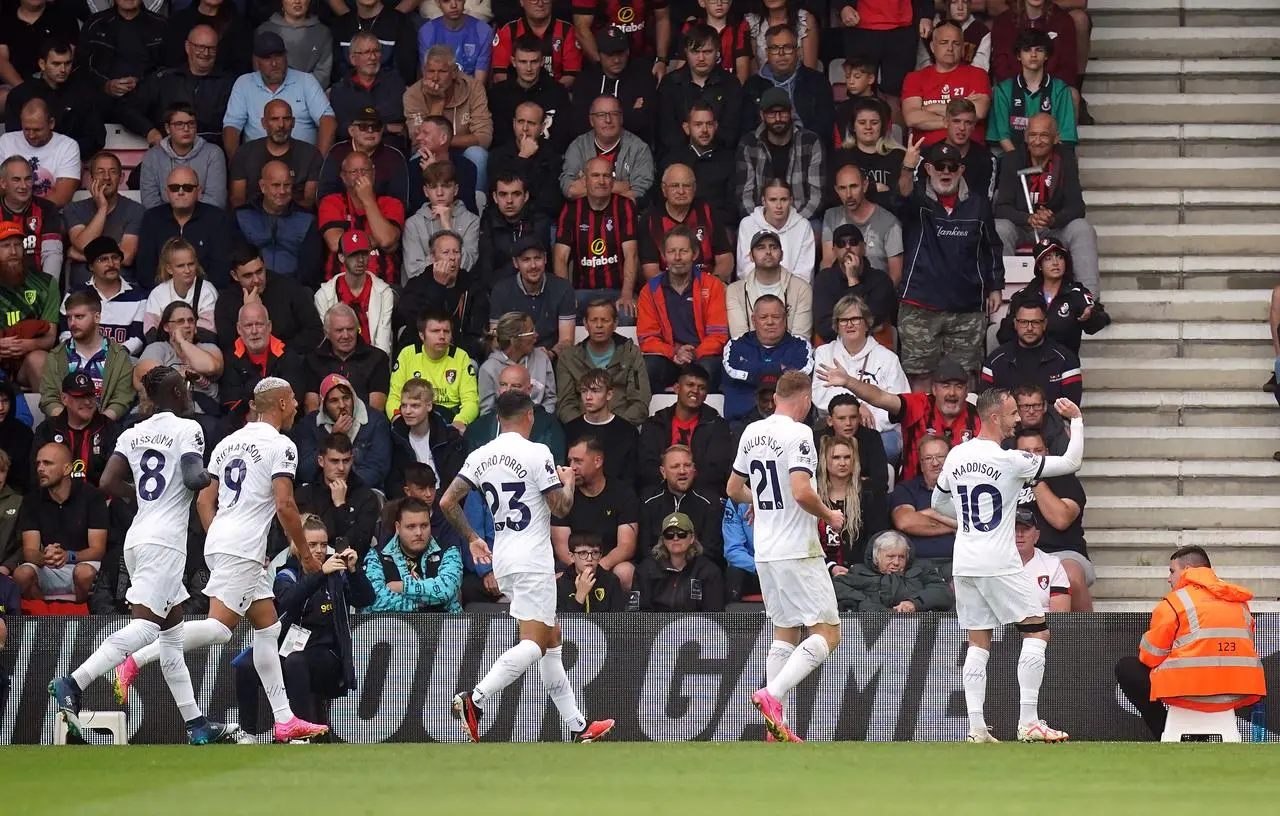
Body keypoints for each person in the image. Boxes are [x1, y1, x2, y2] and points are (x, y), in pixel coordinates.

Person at [112, 377, 332, 744]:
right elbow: (285, 505)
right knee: (219, 629)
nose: (296, 406)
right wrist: (306, 556)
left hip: (226, 541)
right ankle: (135, 659)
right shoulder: (282, 446)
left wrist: (220, 538)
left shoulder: (227, 443)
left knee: (267, 627)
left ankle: (284, 719)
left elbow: (203, 501)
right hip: (242, 547)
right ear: (280, 403)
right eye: (293, 400)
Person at [48, 366, 237, 745]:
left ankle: (196, 723)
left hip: (139, 537)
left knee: (170, 634)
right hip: (165, 543)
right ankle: (74, 681)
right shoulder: (189, 429)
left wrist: (139, 499)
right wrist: (215, 473)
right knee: (148, 627)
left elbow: (106, 482)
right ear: (180, 393)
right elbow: (193, 477)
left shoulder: (133, 432)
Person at [439, 390, 615, 743]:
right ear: (530, 415)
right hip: (533, 559)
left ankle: (578, 726)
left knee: (552, 639)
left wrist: (473, 536)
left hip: (503, 556)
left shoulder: (480, 455)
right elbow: (561, 508)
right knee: (534, 644)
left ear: (498, 419)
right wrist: (567, 481)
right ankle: (475, 700)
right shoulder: (537, 453)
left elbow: (447, 501)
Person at [931, 388, 1084, 743]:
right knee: (1037, 632)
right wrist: (1076, 421)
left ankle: (976, 728)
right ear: (995, 416)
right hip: (998, 561)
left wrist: (972, 517)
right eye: (1013, 412)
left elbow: (939, 502)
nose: (1018, 418)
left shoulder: (956, 455)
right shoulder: (1010, 460)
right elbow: (1071, 462)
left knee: (977, 641)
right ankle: (1028, 721)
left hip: (964, 560)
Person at [726, 370, 844, 742]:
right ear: (806, 399)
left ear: (776, 397)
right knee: (828, 633)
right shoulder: (799, 433)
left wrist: (759, 501)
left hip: (765, 551)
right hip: (798, 550)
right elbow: (801, 491)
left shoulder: (752, 432)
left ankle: (775, 730)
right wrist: (831, 515)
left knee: (785, 633)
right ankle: (772, 694)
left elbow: (733, 488)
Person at [237, 513, 374, 735]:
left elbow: (366, 599)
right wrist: (320, 574)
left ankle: (302, 733)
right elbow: (288, 600)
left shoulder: (337, 575)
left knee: (295, 662)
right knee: (245, 665)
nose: (319, 550)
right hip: (289, 648)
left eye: (323, 544)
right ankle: (248, 734)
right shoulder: (287, 574)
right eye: (312, 544)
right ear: (298, 546)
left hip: (328, 654)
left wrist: (354, 571)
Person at [1115, 545, 1266, 741]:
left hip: (1189, 691)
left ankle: (1165, 732)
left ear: (1186, 570)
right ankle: (1196, 738)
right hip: (1237, 690)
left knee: (1128, 668)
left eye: (1172, 571)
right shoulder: (1238, 601)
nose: (1169, 578)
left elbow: (1150, 656)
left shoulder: (1175, 602)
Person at [894, 138, 1004, 388]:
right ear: (928, 168)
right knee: (919, 377)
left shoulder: (978, 204)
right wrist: (907, 168)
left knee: (964, 379)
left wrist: (995, 285)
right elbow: (900, 196)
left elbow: (992, 246)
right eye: (939, 166)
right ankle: (922, 429)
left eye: (952, 167)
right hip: (919, 306)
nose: (945, 172)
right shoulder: (918, 200)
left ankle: (963, 429)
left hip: (966, 309)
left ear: (961, 170)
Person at [993, 114, 1100, 296]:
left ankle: (1089, 300)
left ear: (1055, 137)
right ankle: (1005, 297)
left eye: (1043, 135)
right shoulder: (1012, 160)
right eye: (1033, 135)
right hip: (1022, 227)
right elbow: (1001, 207)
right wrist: (1028, 218)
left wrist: (1053, 219)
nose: (1037, 141)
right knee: (1000, 228)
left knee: (1082, 229)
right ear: (1026, 137)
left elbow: (1077, 207)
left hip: (1054, 228)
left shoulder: (1066, 160)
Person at [811, 294, 908, 460]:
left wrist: (865, 425)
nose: (849, 324)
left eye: (855, 319)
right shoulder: (824, 353)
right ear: (837, 325)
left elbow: (900, 403)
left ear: (866, 323)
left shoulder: (888, 358)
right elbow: (820, 397)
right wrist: (855, 410)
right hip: (837, 430)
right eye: (843, 320)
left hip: (880, 431)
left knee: (879, 448)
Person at [13, 442, 108, 604]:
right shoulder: (31, 500)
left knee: (83, 573)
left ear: (67, 469)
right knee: (21, 574)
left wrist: (69, 556)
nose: (40, 469)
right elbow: (30, 551)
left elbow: (98, 550)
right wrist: (45, 557)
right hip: (48, 567)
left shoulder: (93, 497)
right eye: (38, 463)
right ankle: (46, 617)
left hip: (82, 563)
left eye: (47, 463)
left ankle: (81, 616)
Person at [637, 226, 729, 392]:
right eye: (672, 252)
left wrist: (695, 353)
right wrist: (674, 353)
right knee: (648, 367)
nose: (677, 257)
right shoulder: (649, 290)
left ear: (694, 254)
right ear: (663, 256)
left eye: (683, 251)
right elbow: (647, 338)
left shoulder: (712, 285)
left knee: (710, 367)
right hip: (669, 357)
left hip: (702, 356)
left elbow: (718, 335)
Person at [223, 31, 337, 157]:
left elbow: (327, 120)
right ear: (257, 61)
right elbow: (231, 127)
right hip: (258, 164)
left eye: (278, 56)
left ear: (286, 56)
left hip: (302, 162)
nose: (274, 64)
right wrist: (236, 168)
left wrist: (319, 163)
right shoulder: (244, 83)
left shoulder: (306, 81)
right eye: (267, 58)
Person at [554, 157, 639, 320]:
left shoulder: (625, 206)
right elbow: (560, 257)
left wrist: (627, 294)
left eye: (606, 176)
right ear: (584, 180)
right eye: (595, 175)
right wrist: (566, 296)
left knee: (627, 315)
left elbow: (631, 254)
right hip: (582, 292)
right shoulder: (571, 209)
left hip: (617, 290)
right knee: (566, 313)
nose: (601, 181)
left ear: (613, 181)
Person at [551, 435, 639, 589]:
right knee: (553, 581)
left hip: (608, 565)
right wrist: (581, 570)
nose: (572, 467)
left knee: (625, 571)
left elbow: (626, 545)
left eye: (578, 461)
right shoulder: (563, 495)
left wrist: (597, 570)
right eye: (570, 461)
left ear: (598, 461)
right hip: (573, 565)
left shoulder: (623, 494)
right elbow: (561, 547)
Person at [403, 46, 493, 194]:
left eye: (442, 72)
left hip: (464, 153)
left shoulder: (473, 88)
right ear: (424, 72)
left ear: (454, 73)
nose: (435, 78)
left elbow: (484, 138)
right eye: (431, 71)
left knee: (479, 155)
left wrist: (443, 141)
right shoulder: (412, 95)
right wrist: (437, 103)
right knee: (419, 157)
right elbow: (420, 142)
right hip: (430, 152)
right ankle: (422, 212)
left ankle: (479, 210)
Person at [997, 238, 1108, 355]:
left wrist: (1091, 315)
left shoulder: (1077, 293)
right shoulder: (1022, 296)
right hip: (1027, 361)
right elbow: (1005, 335)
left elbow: (1096, 325)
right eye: (1048, 259)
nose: (1055, 262)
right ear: (1039, 265)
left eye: (1060, 257)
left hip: (1064, 364)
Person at [39, 292, 136, 422]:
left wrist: (98, 426)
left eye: (79, 317)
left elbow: (122, 399)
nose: (72, 323)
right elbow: (49, 398)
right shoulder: (56, 356)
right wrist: (68, 424)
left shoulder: (119, 356)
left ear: (97, 317)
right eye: (69, 318)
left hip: (106, 430)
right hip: (64, 430)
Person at [135, 167, 236, 289]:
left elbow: (221, 267)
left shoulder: (216, 218)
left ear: (198, 191)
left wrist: (198, 292)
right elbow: (145, 268)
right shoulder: (152, 218)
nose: (180, 192)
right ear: (167, 191)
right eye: (174, 188)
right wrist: (166, 293)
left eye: (187, 188)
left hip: (206, 295)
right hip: (160, 295)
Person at [555, 299, 651, 426]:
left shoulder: (631, 354)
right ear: (585, 324)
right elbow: (565, 405)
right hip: (582, 431)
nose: (599, 325)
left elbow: (640, 401)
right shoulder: (568, 358)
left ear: (615, 323)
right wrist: (583, 427)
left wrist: (615, 426)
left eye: (605, 320)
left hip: (621, 428)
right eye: (593, 320)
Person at [214, 244, 325, 355]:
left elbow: (315, 331)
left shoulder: (288, 287)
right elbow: (229, 348)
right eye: (248, 275)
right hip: (246, 367)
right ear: (235, 276)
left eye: (259, 271)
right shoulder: (225, 301)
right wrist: (249, 311)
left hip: (289, 359)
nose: (256, 280)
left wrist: (281, 352)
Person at [735, 87, 825, 222]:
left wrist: (794, 224)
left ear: (792, 112)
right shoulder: (749, 143)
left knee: (816, 230)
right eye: (771, 113)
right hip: (760, 220)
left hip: (802, 218)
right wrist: (761, 223)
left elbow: (817, 195)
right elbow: (745, 196)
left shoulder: (811, 142)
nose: (778, 118)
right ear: (762, 115)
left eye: (782, 112)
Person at [3, 36, 101, 159]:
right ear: (42, 64)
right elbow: (14, 139)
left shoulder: (84, 93)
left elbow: (96, 136)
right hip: (29, 163)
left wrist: (68, 153)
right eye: (56, 64)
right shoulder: (20, 95)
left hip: (70, 159)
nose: (63, 69)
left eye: (68, 63)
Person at [397, 230, 488, 361]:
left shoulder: (473, 285)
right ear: (433, 257)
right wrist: (438, 286)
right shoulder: (417, 284)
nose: (452, 257)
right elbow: (415, 324)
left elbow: (477, 331)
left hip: (460, 354)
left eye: (456, 252)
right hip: (422, 353)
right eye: (445, 253)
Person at [721, 294, 813, 424]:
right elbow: (732, 369)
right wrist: (780, 369)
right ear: (753, 320)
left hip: (790, 423)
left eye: (776, 317)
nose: (770, 322)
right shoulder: (736, 345)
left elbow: (801, 375)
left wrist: (753, 369)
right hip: (743, 421)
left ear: (785, 318)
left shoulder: (800, 345)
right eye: (763, 317)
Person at [289, 433, 381, 560]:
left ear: (352, 460)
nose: (341, 468)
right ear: (321, 461)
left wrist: (340, 506)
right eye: (334, 461)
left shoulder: (366, 497)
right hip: (308, 565)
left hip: (349, 568)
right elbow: (293, 541)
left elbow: (359, 545)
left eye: (346, 460)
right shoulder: (304, 495)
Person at [319, 150, 406, 283]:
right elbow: (335, 243)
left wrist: (368, 200)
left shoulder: (391, 204)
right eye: (354, 172)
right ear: (343, 176)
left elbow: (386, 240)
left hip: (385, 286)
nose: (360, 176)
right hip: (339, 286)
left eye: (365, 171)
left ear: (374, 174)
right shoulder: (331, 202)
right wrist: (376, 240)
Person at [656, 24, 743, 156]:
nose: (701, 58)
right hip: (679, 160)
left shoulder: (731, 84)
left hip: (721, 160)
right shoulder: (670, 84)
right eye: (695, 52)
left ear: (717, 51)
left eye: (707, 52)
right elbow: (666, 133)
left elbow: (732, 134)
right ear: (685, 51)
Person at [295, 373, 393, 491]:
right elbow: (305, 471)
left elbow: (377, 471)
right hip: (321, 490)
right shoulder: (309, 424)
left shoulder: (376, 421)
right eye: (334, 400)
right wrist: (332, 437)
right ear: (324, 405)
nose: (342, 405)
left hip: (364, 491)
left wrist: (343, 486)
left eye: (346, 398)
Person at [638, 163, 733, 284]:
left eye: (686, 186)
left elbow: (725, 258)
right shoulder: (651, 219)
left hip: (708, 284)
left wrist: (713, 285)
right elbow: (650, 270)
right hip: (668, 289)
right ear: (664, 189)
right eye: (674, 186)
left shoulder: (707, 210)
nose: (681, 191)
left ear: (694, 188)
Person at [901, 22, 991, 148]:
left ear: (962, 47)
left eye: (956, 43)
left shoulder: (977, 74)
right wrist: (962, 114)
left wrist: (931, 107)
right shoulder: (914, 78)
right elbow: (912, 118)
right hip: (926, 151)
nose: (950, 48)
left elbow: (979, 112)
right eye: (944, 43)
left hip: (968, 151)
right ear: (932, 46)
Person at [365, 496, 463, 612]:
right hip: (395, 628)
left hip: (446, 627)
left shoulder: (449, 551)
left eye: (424, 525)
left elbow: (446, 590)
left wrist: (402, 587)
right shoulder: (376, 556)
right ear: (398, 527)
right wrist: (425, 603)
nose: (419, 533)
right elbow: (374, 601)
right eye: (411, 527)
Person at [64, 153, 144, 290]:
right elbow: (84, 244)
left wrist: (80, 255)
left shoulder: (136, 210)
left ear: (121, 178)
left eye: (112, 172)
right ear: (91, 178)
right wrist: (103, 208)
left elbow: (127, 255)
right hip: (82, 293)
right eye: (100, 172)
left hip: (123, 292)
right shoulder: (73, 209)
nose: (106, 177)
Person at [235, 160, 324, 285]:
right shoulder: (241, 216)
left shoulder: (308, 219)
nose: (282, 191)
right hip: (252, 288)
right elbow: (236, 260)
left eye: (287, 185)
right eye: (276, 185)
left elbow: (310, 268)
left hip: (295, 290)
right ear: (262, 186)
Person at [386, 309, 479, 428]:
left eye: (446, 331)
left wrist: (460, 421)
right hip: (413, 417)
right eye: (435, 331)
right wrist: (397, 418)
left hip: (449, 419)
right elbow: (394, 397)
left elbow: (471, 401)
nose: (442, 336)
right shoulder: (408, 354)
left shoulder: (461, 356)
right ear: (421, 335)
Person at [989, 28, 1076, 153]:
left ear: (1046, 55)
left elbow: (1064, 136)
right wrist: (1021, 161)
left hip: (1051, 158)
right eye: (1027, 50)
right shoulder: (1003, 90)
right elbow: (1003, 137)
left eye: (1039, 50)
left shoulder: (1060, 89)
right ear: (1019, 55)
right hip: (1014, 157)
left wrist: (1042, 161)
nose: (1033, 55)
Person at [218, 302, 310, 421]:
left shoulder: (288, 356)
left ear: (269, 326)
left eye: (259, 324)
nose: (254, 331)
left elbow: (294, 400)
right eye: (248, 325)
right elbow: (231, 404)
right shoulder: (230, 358)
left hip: (283, 426)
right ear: (239, 329)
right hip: (245, 426)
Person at [980, 300, 1083, 405]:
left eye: (1035, 322)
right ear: (1015, 324)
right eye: (1024, 322)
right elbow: (986, 406)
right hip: (1007, 420)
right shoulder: (995, 361)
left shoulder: (1066, 360)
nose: (1029, 328)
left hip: (1051, 420)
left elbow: (1071, 407)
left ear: (1044, 324)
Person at [488, 236, 577, 357]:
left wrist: (550, 354)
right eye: (526, 260)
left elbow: (566, 341)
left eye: (537, 258)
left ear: (545, 259)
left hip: (552, 358)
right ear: (515, 263)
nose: (533, 265)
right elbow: (495, 340)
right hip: (512, 359)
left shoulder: (563, 288)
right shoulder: (500, 290)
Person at [740, 22, 829, 142]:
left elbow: (824, 126)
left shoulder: (817, 81)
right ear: (767, 53)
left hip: (806, 148)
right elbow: (747, 130)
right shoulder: (753, 85)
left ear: (797, 51)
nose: (781, 54)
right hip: (764, 150)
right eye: (775, 48)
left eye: (787, 47)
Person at [227, 100, 323, 210]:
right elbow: (237, 199)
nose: (281, 125)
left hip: (296, 220)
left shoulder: (311, 154)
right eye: (274, 119)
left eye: (286, 119)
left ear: (293, 122)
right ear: (264, 123)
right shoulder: (245, 152)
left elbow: (309, 201)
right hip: (252, 220)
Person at [637, 443, 723, 564]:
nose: (682, 471)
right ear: (663, 472)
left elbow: (712, 550)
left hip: (697, 570)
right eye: (675, 466)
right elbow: (644, 549)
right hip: (658, 569)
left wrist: (682, 564)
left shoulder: (710, 502)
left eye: (687, 465)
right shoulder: (648, 501)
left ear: (694, 469)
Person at [569, 26, 657, 144]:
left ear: (628, 52)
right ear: (599, 54)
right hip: (591, 148)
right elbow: (580, 124)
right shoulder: (585, 81)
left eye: (620, 53)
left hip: (634, 147)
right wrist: (628, 113)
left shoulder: (642, 78)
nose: (616, 60)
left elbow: (644, 120)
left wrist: (599, 119)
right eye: (610, 55)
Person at [820, 164, 904, 287]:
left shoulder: (890, 222)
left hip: (876, 293)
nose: (848, 195)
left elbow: (895, 276)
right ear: (837, 190)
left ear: (864, 186)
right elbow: (828, 261)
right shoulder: (831, 216)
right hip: (840, 294)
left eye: (853, 186)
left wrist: (879, 298)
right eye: (842, 188)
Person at [314, 229, 395, 356]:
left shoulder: (384, 292)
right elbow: (327, 340)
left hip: (372, 363)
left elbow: (383, 343)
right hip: (336, 363)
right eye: (353, 254)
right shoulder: (324, 295)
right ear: (341, 257)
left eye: (364, 253)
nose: (360, 260)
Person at [812, 224, 897, 344]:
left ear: (864, 247)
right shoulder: (824, 279)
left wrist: (853, 280)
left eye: (853, 242)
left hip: (873, 347)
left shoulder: (881, 280)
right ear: (834, 251)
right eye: (841, 244)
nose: (847, 247)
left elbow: (874, 319)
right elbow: (823, 326)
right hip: (834, 346)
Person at [33, 371, 122, 486]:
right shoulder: (47, 430)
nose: (87, 402)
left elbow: (116, 479)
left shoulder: (110, 429)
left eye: (90, 395)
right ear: (64, 398)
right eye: (79, 397)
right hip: (56, 501)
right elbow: (36, 476)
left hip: (99, 501)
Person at [559, 95, 655, 202]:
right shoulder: (578, 146)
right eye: (601, 115)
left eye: (614, 114)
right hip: (585, 215)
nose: (608, 120)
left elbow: (639, 193)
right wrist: (621, 186)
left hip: (623, 215)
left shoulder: (639, 149)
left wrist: (589, 187)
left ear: (621, 118)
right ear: (591, 120)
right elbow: (569, 189)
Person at [487, 40, 574, 157]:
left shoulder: (557, 92)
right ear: (513, 61)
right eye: (523, 62)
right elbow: (497, 139)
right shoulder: (498, 94)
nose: (529, 68)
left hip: (547, 161)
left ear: (542, 62)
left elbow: (563, 136)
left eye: (534, 62)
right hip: (508, 160)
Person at [64, 236, 147, 359]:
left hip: (122, 361)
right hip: (79, 360)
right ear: (91, 266)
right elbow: (65, 335)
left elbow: (138, 339)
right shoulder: (75, 294)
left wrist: (110, 357)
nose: (111, 264)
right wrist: (86, 356)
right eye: (102, 260)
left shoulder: (139, 297)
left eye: (115, 258)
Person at [135, 302, 223, 415]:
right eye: (180, 321)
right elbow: (148, 376)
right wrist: (183, 374)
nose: (187, 325)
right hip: (163, 413)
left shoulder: (209, 348)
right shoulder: (157, 348)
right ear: (166, 327)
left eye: (191, 321)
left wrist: (182, 342)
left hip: (201, 414)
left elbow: (210, 367)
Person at [832, 530, 953, 612]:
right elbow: (836, 586)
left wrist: (914, 603)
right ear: (876, 557)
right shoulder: (859, 571)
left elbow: (943, 592)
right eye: (890, 556)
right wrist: (864, 602)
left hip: (915, 631)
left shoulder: (921, 569)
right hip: (870, 632)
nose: (896, 562)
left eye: (901, 557)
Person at [0, 222, 58, 390]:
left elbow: (50, 338)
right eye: (5, 246)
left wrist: (25, 345)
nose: (13, 252)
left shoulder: (45, 284)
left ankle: (54, 415)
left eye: (17, 245)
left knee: (39, 359)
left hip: (25, 362)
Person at [138, 103, 228, 210]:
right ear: (167, 128)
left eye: (191, 123)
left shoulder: (213, 153)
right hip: (164, 221)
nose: (186, 128)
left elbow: (216, 200)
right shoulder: (152, 156)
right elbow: (150, 201)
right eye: (179, 124)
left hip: (204, 220)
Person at [386, 378, 467, 497]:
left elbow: (456, 482)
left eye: (415, 406)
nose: (407, 411)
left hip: (444, 503)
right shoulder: (396, 438)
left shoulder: (450, 437)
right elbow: (393, 484)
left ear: (429, 406)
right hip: (409, 503)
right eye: (403, 405)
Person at [305, 304, 391, 415]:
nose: (346, 335)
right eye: (339, 330)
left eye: (350, 329)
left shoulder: (377, 358)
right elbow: (311, 406)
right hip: (325, 429)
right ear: (327, 333)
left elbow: (376, 409)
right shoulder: (313, 360)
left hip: (366, 428)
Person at [726, 230, 812, 340]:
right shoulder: (735, 290)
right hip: (749, 354)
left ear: (782, 255)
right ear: (751, 256)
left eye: (773, 247)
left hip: (790, 354)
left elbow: (801, 338)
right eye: (761, 248)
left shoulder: (802, 288)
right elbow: (739, 338)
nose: (768, 252)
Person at [476, 168, 555, 287]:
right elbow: (485, 271)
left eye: (516, 194)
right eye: (503, 194)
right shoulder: (488, 222)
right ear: (495, 197)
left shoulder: (540, 222)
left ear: (526, 196)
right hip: (500, 291)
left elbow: (538, 268)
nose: (509, 201)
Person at [634, 511, 725, 612]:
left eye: (682, 534)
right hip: (657, 626)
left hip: (696, 626)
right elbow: (638, 614)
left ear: (692, 538)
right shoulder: (646, 570)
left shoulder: (708, 571)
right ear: (663, 540)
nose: (675, 538)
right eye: (669, 535)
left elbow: (714, 616)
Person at [403, 161, 481, 279]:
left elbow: (467, 266)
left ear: (455, 189)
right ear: (425, 191)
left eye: (446, 186)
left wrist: (447, 227)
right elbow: (414, 271)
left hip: (460, 288)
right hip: (423, 292)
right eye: (433, 187)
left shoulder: (471, 221)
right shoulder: (413, 223)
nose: (439, 193)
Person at [664, 102, 737, 226]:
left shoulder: (728, 160)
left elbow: (732, 208)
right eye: (698, 125)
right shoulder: (673, 160)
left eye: (709, 124)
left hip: (717, 227)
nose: (704, 130)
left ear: (716, 126)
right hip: (679, 228)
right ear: (686, 128)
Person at [0, 95, 79, 208]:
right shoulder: (6, 141)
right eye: (26, 129)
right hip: (10, 214)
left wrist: (27, 212)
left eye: (37, 130)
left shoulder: (68, 146)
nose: (31, 135)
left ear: (51, 123)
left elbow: (62, 197)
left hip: (49, 215)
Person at [561, 368, 637, 482]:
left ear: (609, 394)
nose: (588, 397)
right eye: (584, 391)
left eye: (595, 391)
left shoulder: (627, 431)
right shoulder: (570, 429)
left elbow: (631, 477)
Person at [890, 435, 957, 564]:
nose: (935, 463)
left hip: (957, 563)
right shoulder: (906, 489)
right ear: (921, 465)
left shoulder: (964, 488)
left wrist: (928, 514)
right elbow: (905, 522)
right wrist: (953, 527)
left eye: (940, 457)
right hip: (917, 565)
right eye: (928, 458)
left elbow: (972, 522)